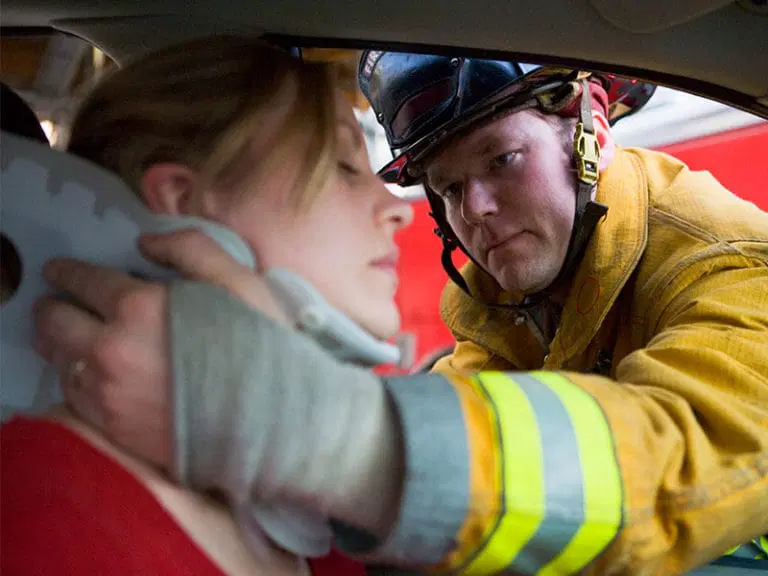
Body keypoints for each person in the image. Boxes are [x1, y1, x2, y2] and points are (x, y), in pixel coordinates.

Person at [28, 51, 768, 576]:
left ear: (593, 124)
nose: (467, 211)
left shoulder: (730, 259)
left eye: (501, 160)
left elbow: (693, 462)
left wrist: (313, 426)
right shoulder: (502, 302)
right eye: (444, 188)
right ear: (184, 205)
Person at [2, 36, 416, 575]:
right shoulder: (40, 504)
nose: (396, 209)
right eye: (342, 164)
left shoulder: (311, 519)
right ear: (182, 202)